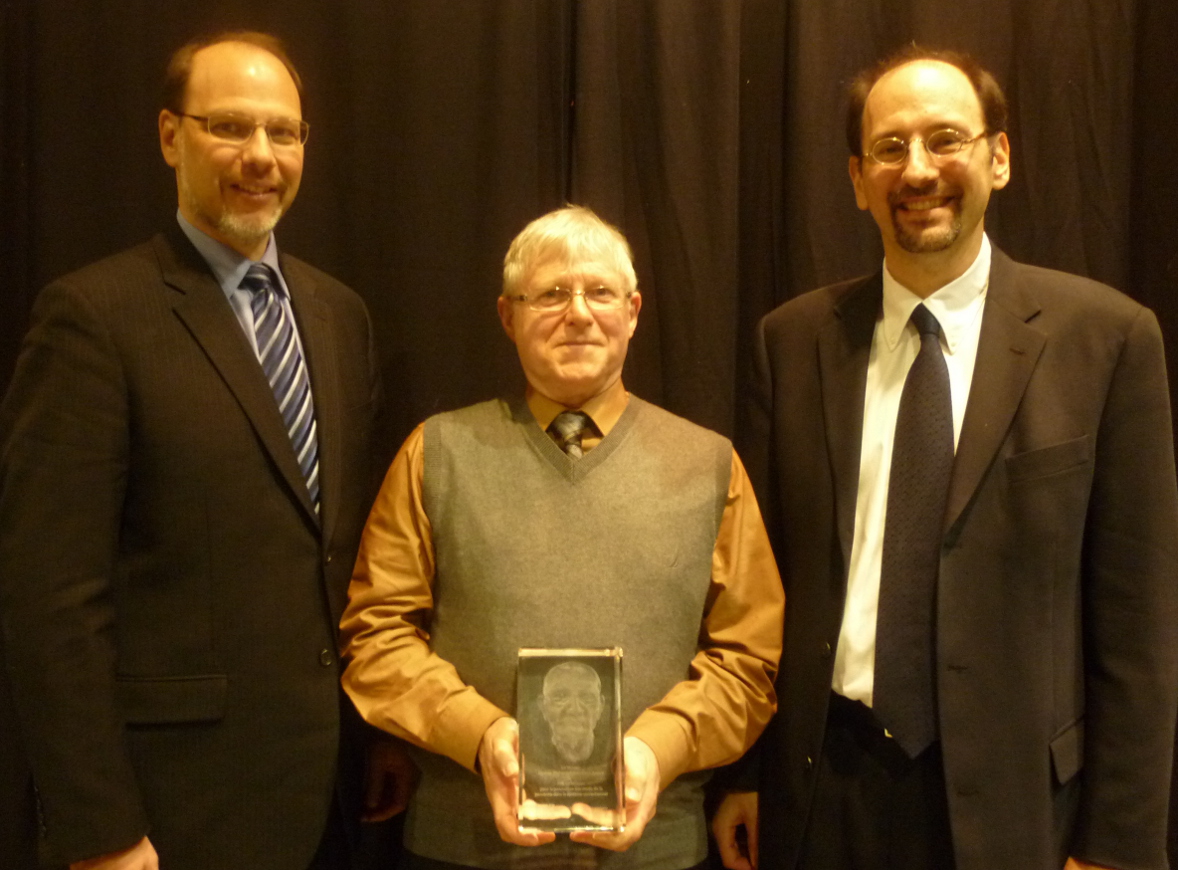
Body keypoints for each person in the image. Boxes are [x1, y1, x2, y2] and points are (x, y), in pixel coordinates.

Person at [714, 46, 1178, 870]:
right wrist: (743, 774)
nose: (918, 169)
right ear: (858, 179)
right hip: (822, 796)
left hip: (1023, 811)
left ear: (999, 157)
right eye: (890, 148)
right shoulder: (790, 344)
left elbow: (1138, 626)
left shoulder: (1107, 340)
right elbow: (756, 591)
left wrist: (1120, 845)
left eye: (946, 139)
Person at [0, 31, 394, 870]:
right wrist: (98, 825)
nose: (260, 155)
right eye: (230, 128)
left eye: (282, 133)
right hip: (171, 813)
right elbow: (49, 600)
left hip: (331, 800)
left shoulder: (340, 316)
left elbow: (337, 557)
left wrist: (375, 735)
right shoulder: (93, 319)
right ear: (171, 136)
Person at [340, 205, 785, 870]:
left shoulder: (710, 464)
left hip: (656, 851)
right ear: (507, 316)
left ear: (633, 311)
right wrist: (481, 734)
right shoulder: (436, 453)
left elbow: (750, 662)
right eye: (550, 294)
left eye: (600, 292)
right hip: (463, 849)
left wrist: (658, 749)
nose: (578, 313)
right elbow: (375, 636)